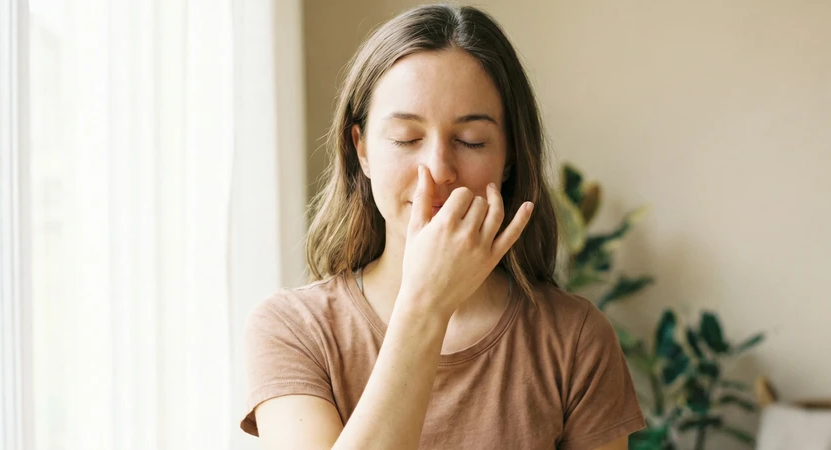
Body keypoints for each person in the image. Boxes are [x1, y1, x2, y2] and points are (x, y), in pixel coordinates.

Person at [240, 4, 646, 449]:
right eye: (406, 139)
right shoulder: (294, 329)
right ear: (362, 150)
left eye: (471, 141)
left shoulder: (576, 339)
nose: (437, 170)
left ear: (509, 156)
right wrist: (426, 306)